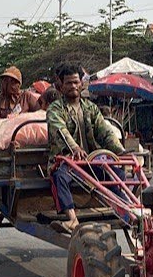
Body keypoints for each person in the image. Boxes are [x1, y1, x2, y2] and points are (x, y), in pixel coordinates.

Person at [47, 65, 125, 234]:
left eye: (76, 82)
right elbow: (60, 130)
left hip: (91, 160)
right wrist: (74, 148)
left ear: (81, 84)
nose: (73, 86)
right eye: (68, 83)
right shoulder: (55, 109)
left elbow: (105, 131)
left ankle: (125, 211)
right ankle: (72, 219)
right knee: (59, 176)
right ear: (61, 85)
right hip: (67, 160)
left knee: (117, 174)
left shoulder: (91, 107)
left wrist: (120, 151)